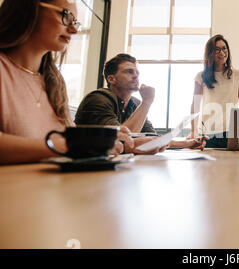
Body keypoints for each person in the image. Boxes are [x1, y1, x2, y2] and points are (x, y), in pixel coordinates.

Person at [0, 0, 128, 164]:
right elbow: (67, 144)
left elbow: (68, 138)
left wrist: (107, 140)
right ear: (29, 8)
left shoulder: (54, 81)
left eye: (75, 22)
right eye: (65, 15)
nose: (74, 30)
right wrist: (69, 147)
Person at [75, 53, 207, 150]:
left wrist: (188, 143)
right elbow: (124, 140)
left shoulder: (135, 103)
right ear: (111, 79)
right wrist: (147, 102)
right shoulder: (98, 99)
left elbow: (153, 138)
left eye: (137, 73)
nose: (135, 76)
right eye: (129, 72)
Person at [190, 34, 239, 148]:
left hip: (231, 132)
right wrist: (193, 131)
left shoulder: (237, 75)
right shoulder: (201, 77)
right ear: (210, 53)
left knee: (233, 165)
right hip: (207, 133)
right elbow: (195, 105)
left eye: (224, 48)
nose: (222, 52)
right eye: (217, 50)